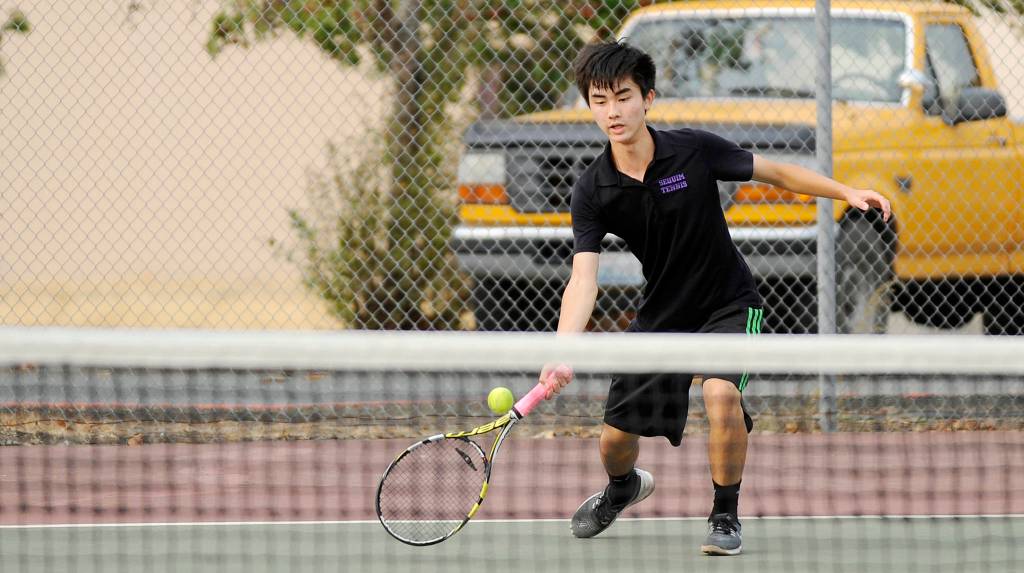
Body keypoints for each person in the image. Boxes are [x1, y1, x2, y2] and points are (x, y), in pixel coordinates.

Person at [536, 40, 891, 556]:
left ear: (647, 98)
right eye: (599, 100)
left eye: (623, 97)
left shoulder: (693, 150)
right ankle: (622, 488)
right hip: (662, 316)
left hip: (728, 302)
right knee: (614, 441)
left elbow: (776, 172)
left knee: (721, 394)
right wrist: (562, 349)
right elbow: (583, 279)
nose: (613, 111)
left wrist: (846, 193)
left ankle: (724, 514)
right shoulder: (594, 189)